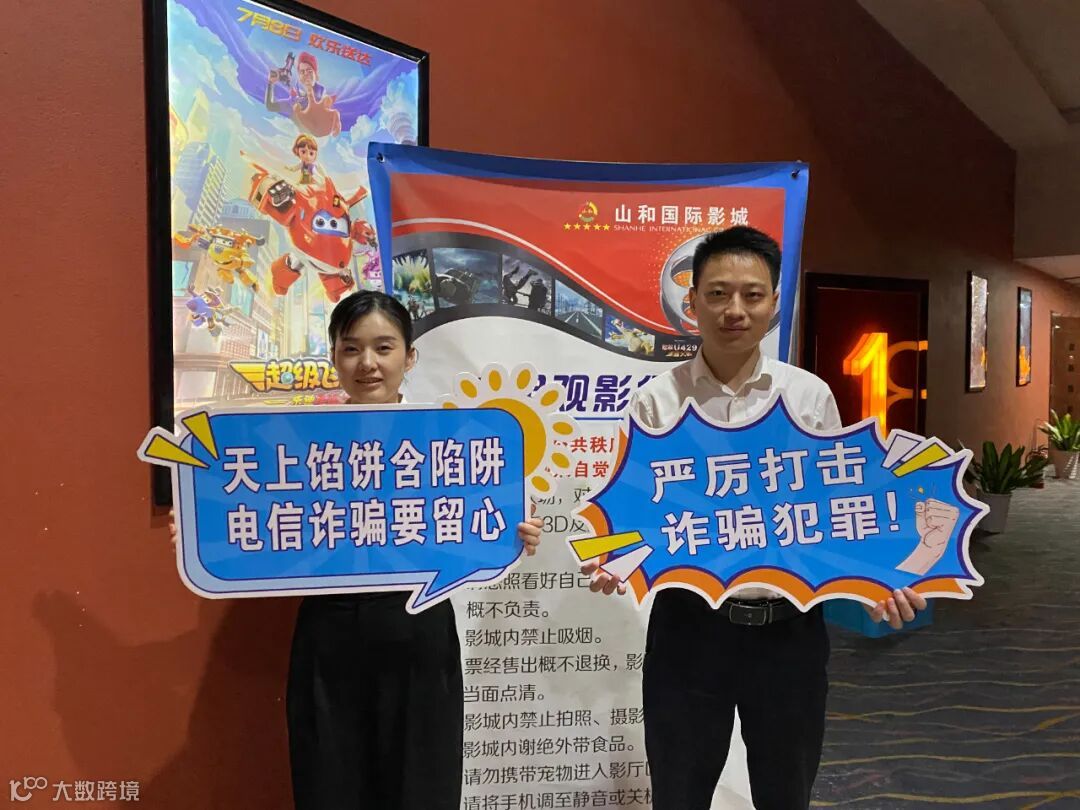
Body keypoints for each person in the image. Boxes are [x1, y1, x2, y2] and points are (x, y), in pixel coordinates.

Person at [581, 227, 926, 810]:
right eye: (717, 294)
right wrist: (611, 556)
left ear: (773, 303)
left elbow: (832, 510)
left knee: (786, 792)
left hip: (789, 632)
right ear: (692, 304)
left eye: (752, 294)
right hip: (689, 629)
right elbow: (631, 512)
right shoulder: (655, 402)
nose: (734, 310)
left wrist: (874, 579)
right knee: (679, 793)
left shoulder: (808, 396)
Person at [171, 290, 543, 809]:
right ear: (333, 358)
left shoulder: (453, 444)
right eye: (351, 349)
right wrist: (202, 530)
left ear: (409, 357)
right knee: (331, 786)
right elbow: (254, 521)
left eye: (384, 348)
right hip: (330, 639)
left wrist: (515, 532)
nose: (368, 363)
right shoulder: (296, 445)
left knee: (421, 789)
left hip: (419, 636)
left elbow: (485, 522)